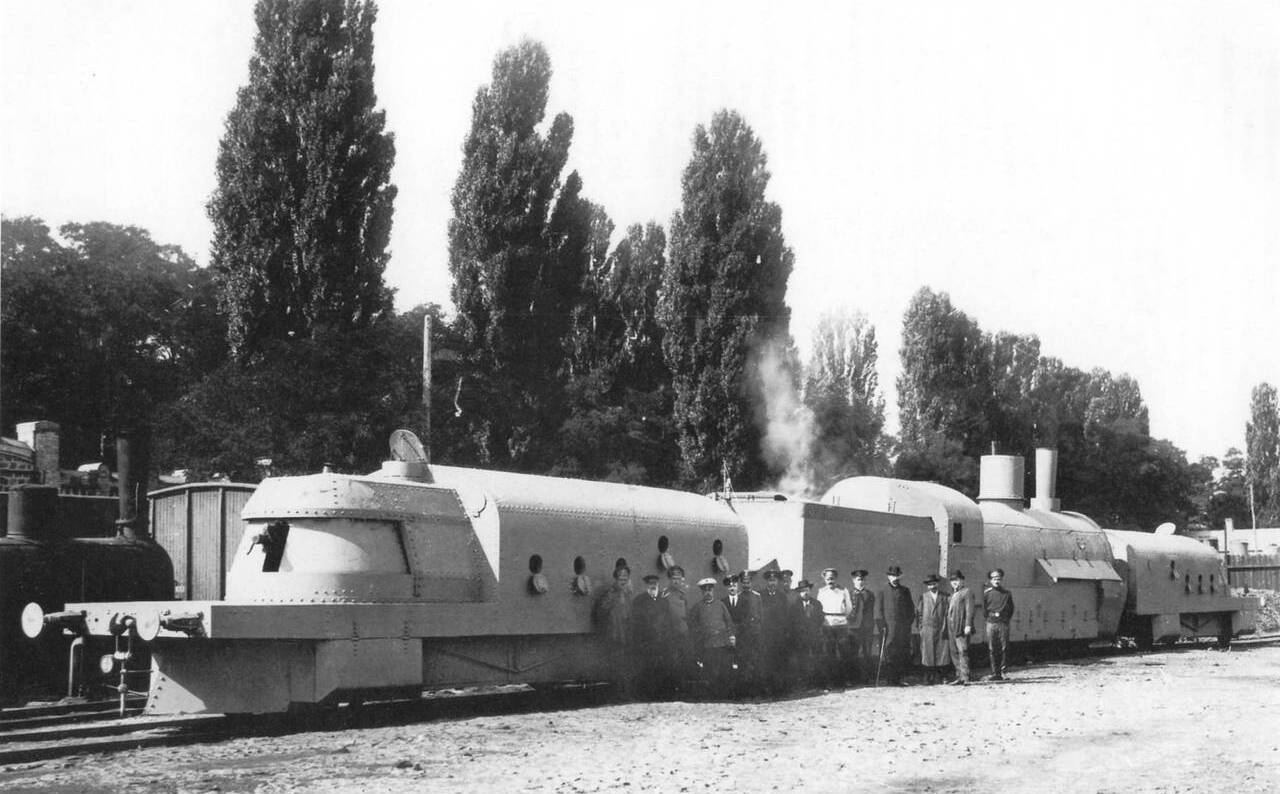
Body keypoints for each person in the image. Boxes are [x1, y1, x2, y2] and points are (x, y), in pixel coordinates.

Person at [688, 577, 736, 698]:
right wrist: (700, 636)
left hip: (722, 644)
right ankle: (711, 696)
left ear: (713, 591)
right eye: (705, 590)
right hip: (707, 645)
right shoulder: (697, 607)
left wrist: (731, 636)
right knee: (710, 671)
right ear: (702, 592)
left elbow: (729, 621)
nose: (708, 593)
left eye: (710, 590)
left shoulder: (720, 605)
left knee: (723, 670)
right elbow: (692, 625)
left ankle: (724, 696)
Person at [631, 574, 676, 698]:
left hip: (662, 641)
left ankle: (661, 694)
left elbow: (668, 621)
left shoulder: (663, 601)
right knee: (647, 668)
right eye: (650, 583)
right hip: (646, 642)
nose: (653, 586)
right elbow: (636, 623)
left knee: (662, 667)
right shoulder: (639, 601)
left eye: (655, 583)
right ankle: (648, 695)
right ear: (646, 585)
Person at [594, 565, 634, 696]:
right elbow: (600, 612)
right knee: (617, 664)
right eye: (621, 579)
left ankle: (626, 692)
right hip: (614, 634)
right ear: (615, 579)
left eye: (625, 579)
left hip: (626, 634)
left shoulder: (628, 596)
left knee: (627, 664)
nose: (623, 581)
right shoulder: (609, 595)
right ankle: (618, 692)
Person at [875, 564, 916, 686]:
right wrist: (881, 625)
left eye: (897, 576)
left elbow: (911, 609)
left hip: (902, 628)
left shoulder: (905, 591)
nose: (895, 578)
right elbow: (878, 611)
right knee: (889, 652)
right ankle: (890, 679)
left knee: (901, 652)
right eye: (892, 576)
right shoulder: (882, 591)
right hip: (888, 628)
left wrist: (908, 623)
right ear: (888, 577)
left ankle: (898, 678)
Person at [723, 574, 760, 696]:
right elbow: (724, 620)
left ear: (737, 586)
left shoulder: (744, 601)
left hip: (742, 637)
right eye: (729, 586)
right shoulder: (723, 602)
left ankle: (743, 691)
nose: (732, 588)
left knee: (743, 663)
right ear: (727, 588)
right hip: (728, 637)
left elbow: (746, 619)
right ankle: (730, 692)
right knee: (729, 663)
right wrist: (730, 634)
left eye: (734, 585)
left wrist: (737, 634)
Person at [816, 567, 853, 685]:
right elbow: (818, 607)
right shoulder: (821, 591)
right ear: (824, 579)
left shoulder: (843, 590)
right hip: (827, 624)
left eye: (832, 578)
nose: (830, 581)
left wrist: (841, 617)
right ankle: (830, 681)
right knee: (829, 652)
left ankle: (844, 679)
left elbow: (849, 608)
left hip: (841, 624)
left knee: (844, 652)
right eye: (828, 579)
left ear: (836, 578)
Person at [787, 579, 825, 689]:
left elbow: (820, 619)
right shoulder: (794, 606)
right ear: (799, 593)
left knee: (816, 658)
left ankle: (817, 682)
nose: (805, 593)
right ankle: (803, 682)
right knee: (802, 659)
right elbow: (792, 623)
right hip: (801, 638)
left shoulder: (817, 604)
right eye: (802, 591)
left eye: (807, 590)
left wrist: (814, 629)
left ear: (810, 590)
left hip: (814, 636)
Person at [759, 570, 791, 695]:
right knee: (766, 660)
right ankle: (766, 688)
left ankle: (779, 689)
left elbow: (786, 616)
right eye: (770, 580)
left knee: (779, 661)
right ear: (767, 582)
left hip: (779, 635)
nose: (772, 583)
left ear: (777, 582)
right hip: (766, 634)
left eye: (774, 580)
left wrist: (784, 633)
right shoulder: (760, 595)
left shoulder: (782, 596)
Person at [915, 573, 951, 684]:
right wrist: (921, 628)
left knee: (942, 652)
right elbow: (919, 613)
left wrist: (946, 626)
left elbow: (948, 612)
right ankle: (928, 676)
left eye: (934, 584)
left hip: (942, 627)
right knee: (928, 653)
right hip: (928, 628)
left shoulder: (945, 596)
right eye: (930, 584)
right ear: (927, 586)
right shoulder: (923, 597)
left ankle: (943, 676)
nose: (932, 586)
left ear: (937, 584)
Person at [662, 565, 691, 691]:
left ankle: (682, 688)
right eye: (674, 578)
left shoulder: (683, 595)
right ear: (669, 579)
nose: (676, 581)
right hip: (670, 634)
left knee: (683, 660)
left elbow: (687, 614)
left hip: (683, 633)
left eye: (679, 578)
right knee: (671, 661)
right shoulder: (664, 594)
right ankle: (670, 688)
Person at [983, 568, 1015, 681]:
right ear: (990, 580)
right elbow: (984, 610)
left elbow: (1011, 609)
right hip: (991, 623)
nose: (996, 580)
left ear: (1001, 579)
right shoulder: (987, 594)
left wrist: (1004, 619)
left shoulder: (1007, 594)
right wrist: (990, 618)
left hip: (1003, 623)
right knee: (992, 649)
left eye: (998, 578)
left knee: (1004, 648)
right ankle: (994, 673)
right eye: (994, 578)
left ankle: (1003, 672)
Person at [946, 569, 975, 685]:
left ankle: (966, 677)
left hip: (961, 627)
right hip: (951, 627)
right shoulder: (951, 595)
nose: (954, 582)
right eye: (952, 580)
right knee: (954, 652)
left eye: (957, 580)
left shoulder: (966, 592)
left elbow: (970, 610)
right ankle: (959, 676)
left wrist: (968, 625)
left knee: (963, 651)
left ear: (962, 581)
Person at [848, 569, 876, 684]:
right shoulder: (849, 594)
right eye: (859, 579)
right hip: (853, 627)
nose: (861, 582)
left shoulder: (870, 594)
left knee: (866, 652)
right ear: (853, 581)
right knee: (853, 652)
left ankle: (865, 678)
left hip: (866, 627)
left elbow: (871, 611)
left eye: (863, 580)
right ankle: (852, 678)